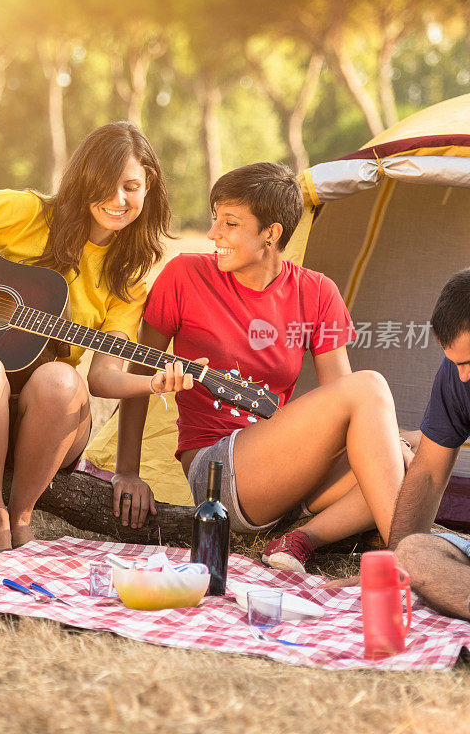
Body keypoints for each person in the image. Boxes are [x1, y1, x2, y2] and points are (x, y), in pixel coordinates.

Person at [0, 121, 189, 553]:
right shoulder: (30, 213)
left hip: (50, 427)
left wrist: (152, 382)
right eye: (105, 184)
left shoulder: (128, 276)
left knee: (60, 378)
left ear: (149, 188)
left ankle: (22, 515)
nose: (117, 199)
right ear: (83, 178)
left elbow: (103, 378)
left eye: (130, 187)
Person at [115, 162, 409, 571]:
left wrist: (395, 437)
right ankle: (411, 564)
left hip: (287, 469)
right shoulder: (185, 275)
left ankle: (299, 541)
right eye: (215, 218)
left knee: (406, 456)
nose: (214, 233)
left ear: (271, 234)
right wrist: (126, 471)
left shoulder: (316, 291)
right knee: (371, 387)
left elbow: (344, 405)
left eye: (230, 223)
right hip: (218, 474)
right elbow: (138, 371)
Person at [376, 270, 470, 621]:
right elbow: (429, 471)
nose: (462, 376)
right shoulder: (455, 375)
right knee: (411, 552)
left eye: (467, 363)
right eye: (454, 362)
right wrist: (389, 572)